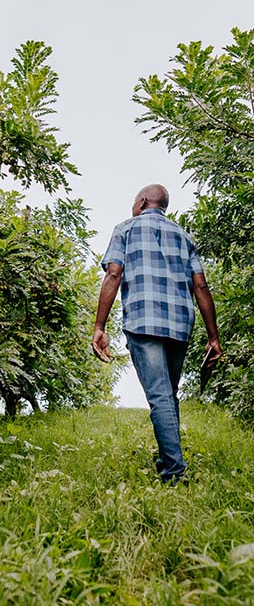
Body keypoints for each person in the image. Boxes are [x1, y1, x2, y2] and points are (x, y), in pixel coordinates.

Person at [92, 184, 222, 485]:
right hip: (180, 324)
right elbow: (200, 287)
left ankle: (175, 473)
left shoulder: (125, 229)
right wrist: (213, 337)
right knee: (167, 394)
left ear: (142, 201)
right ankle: (169, 457)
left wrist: (99, 327)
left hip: (143, 320)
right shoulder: (184, 236)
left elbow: (114, 274)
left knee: (160, 396)